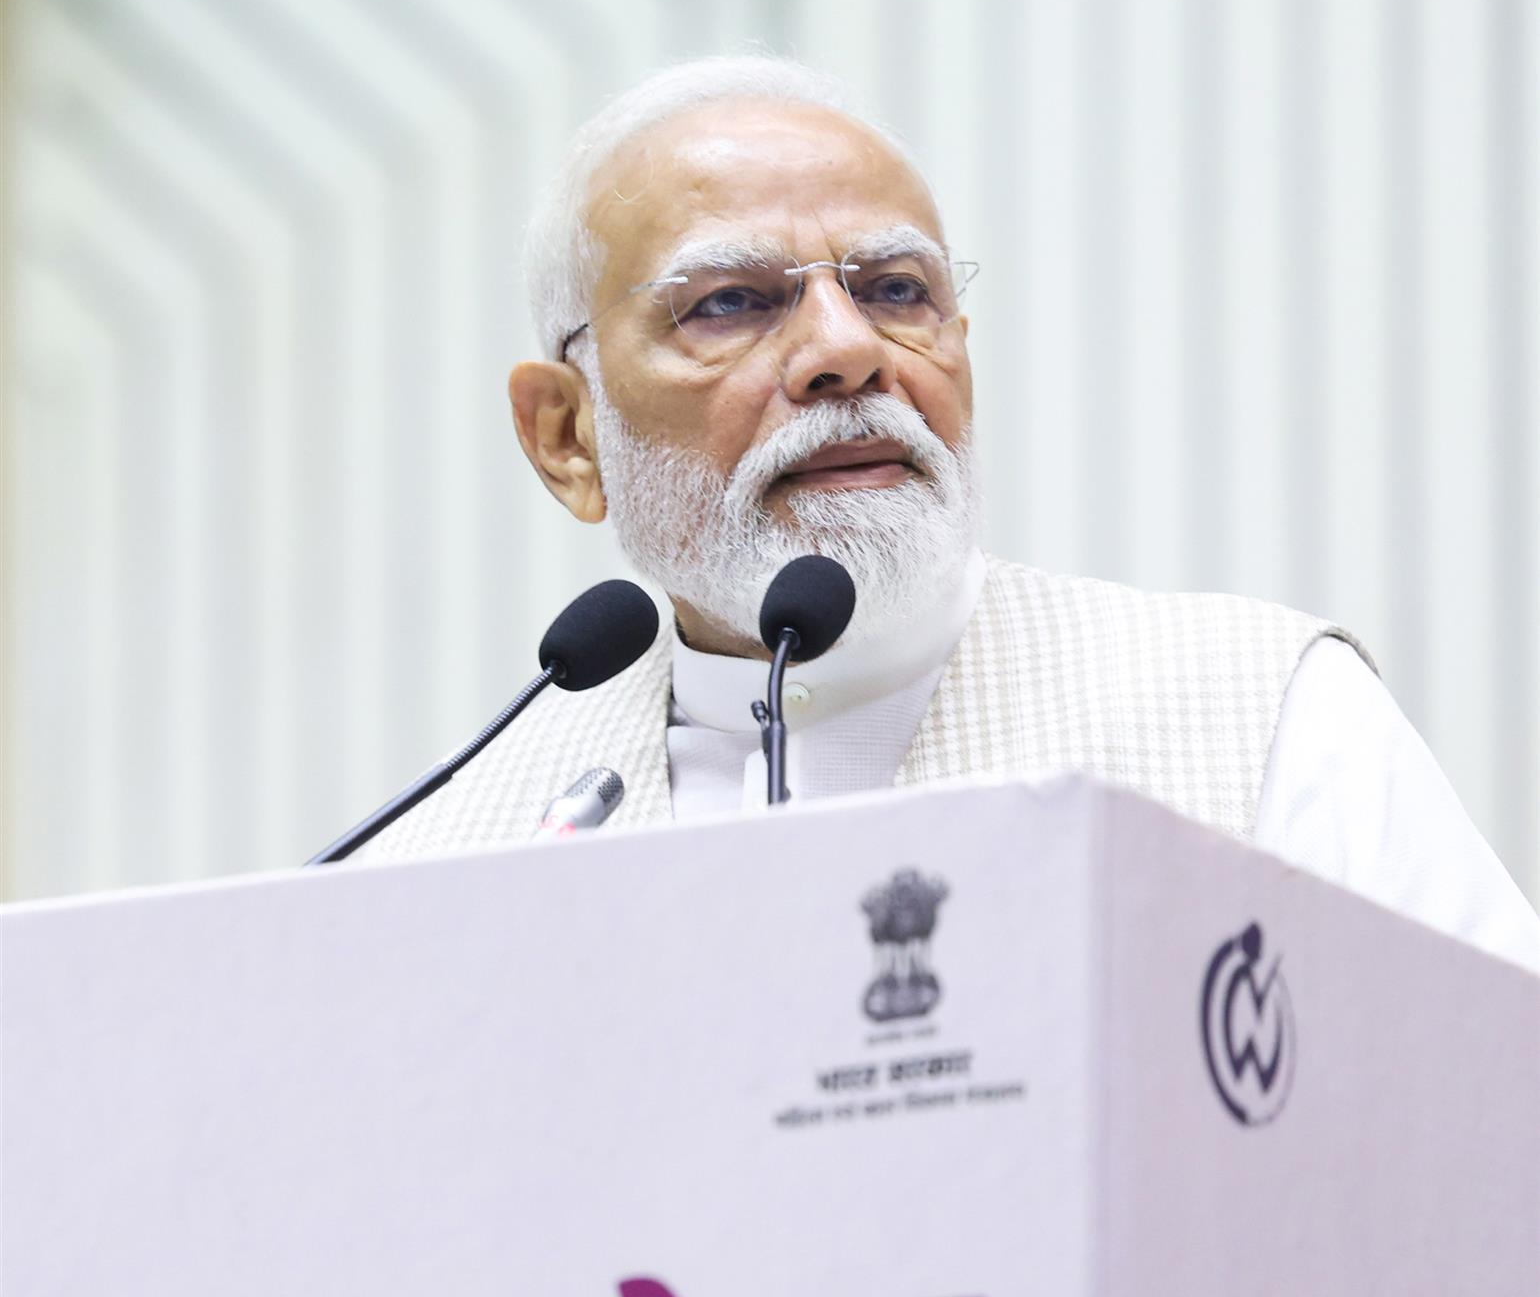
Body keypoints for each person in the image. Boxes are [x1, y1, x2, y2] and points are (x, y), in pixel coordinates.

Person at [356, 55, 1539, 975]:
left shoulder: (1264, 715)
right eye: (729, 301)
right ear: (568, 435)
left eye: (894, 290)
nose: (844, 350)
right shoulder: (443, 865)